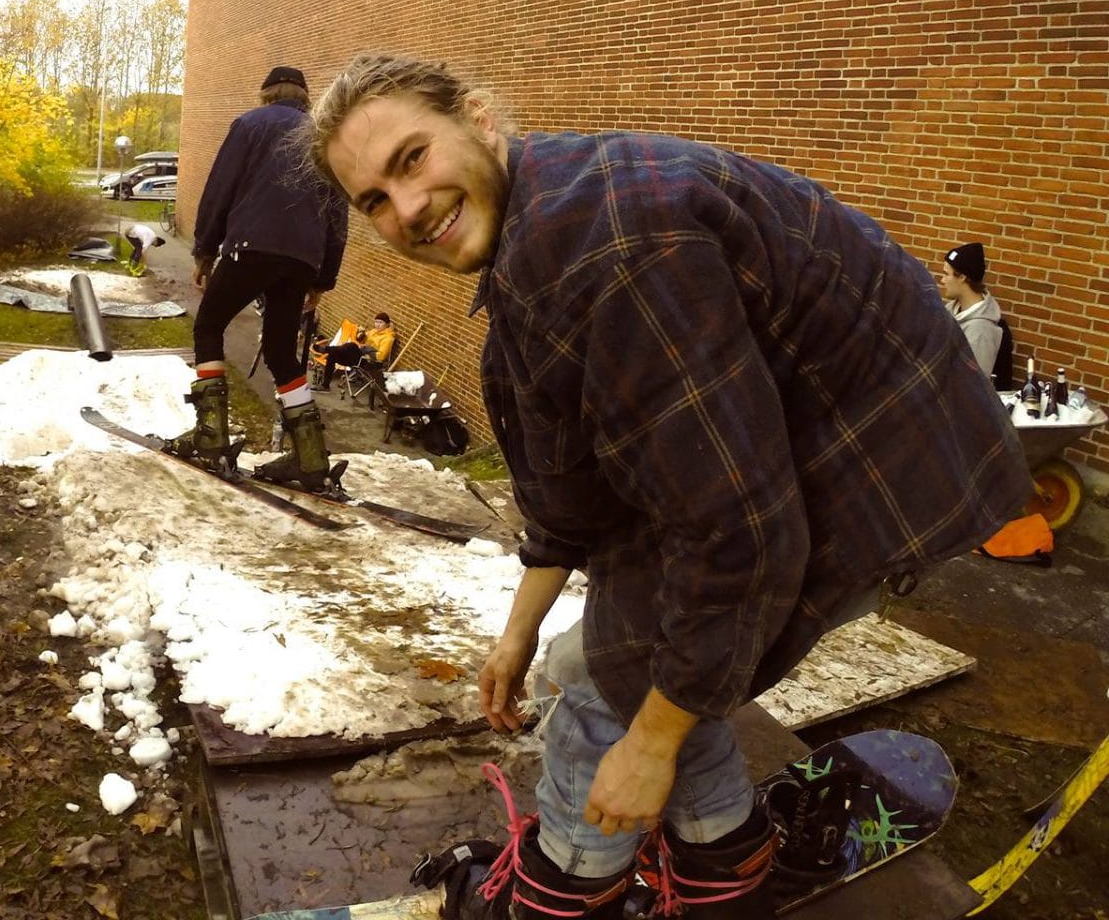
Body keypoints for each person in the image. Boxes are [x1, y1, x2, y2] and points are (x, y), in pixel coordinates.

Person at [307, 53, 1030, 919]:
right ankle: (728, 864)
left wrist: (651, 744)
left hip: (881, 459)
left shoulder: (600, 249)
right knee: (605, 660)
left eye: (412, 159)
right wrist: (518, 632)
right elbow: (573, 491)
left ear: (480, 119)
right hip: (776, 454)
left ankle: (560, 893)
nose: (408, 210)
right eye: (374, 201)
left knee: (609, 688)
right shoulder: (537, 232)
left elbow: (741, 532)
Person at [176, 64, 349, 491]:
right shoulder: (324, 136)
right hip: (301, 259)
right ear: (305, 97)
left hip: (251, 247)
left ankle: (211, 437)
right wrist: (322, 278)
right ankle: (310, 459)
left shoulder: (249, 125)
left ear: (266, 94)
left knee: (209, 326)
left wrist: (204, 250)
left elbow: (221, 188)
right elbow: (337, 212)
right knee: (280, 350)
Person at [939, 242, 1006, 382]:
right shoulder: (950, 310)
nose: (942, 280)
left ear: (962, 277)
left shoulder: (981, 331)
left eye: (946, 274)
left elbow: (973, 385)